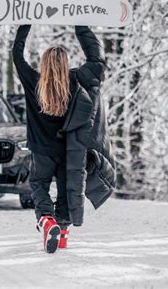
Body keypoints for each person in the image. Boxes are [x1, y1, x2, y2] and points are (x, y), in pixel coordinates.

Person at [12, 24, 115, 254]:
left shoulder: (34, 82)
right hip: (69, 151)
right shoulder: (77, 82)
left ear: (44, 64)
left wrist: (24, 25)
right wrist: (80, 25)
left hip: (42, 150)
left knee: (39, 185)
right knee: (66, 190)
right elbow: (97, 60)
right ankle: (62, 234)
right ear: (66, 64)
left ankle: (48, 221)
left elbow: (17, 57)